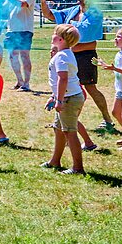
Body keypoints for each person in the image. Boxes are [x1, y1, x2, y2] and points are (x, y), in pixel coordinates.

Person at [39, 0, 115, 132]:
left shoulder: (95, 14)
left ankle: (108, 120)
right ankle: (60, 121)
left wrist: (63, 46)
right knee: (63, 86)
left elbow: (88, 39)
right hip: (70, 55)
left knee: (90, 88)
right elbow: (50, 15)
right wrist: (43, 2)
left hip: (86, 57)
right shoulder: (73, 11)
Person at [42, 24, 85, 175]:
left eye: (55, 33)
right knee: (59, 129)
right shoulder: (66, 53)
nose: (52, 35)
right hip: (66, 97)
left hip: (68, 99)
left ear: (60, 39)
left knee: (70, 132)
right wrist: (54, 97)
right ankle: (55, 161)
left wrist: (59, 101)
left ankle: (78, 168)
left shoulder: (61, 56)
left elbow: (63, 79)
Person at [2, 0, 37, 91]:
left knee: (24, 56)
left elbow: (23, 4)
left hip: (24, 30)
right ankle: (19, 81)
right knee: (12, 56)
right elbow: (3, 12)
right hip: (12, 30)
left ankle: (26, 84)